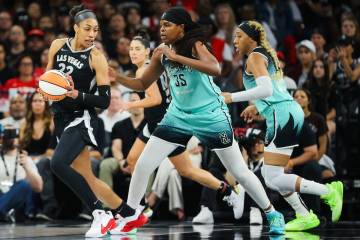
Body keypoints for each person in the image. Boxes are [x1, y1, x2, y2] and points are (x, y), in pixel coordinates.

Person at [112, 7, 285, 235]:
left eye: (167, 25)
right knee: (143, 164)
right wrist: (117, 78)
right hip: (178, 115)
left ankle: (272, 212)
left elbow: (216, 68)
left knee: (240, 171)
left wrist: (176, 56)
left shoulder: (196, 45)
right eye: (161, 25)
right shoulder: (161, 52)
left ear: (181, 27)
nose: (161, 30)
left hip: (211, 115)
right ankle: (131, 213)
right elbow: (142, 84)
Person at [118, 31, 247, 225]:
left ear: (148, 52)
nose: (133, 53)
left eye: (138, 49)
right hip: (152, 123)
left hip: (166, 125)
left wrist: (130, 105)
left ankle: (227, 190)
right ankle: (140, 207)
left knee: (187, 170)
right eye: (131, 49)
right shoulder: (157, 66)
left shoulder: (143, 70)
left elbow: (156, 99)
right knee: (132, 160)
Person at [224, 20, 343, 231]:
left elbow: (266, 90)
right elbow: (274, 90)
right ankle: (305, 214)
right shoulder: (261, 55)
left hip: (284, 115)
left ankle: (328, 193)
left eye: (239, 36)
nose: (234, 40)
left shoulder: (254, 56)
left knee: (272, 176)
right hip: (282, 113)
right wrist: (258, 108)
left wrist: (231, 97)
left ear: (251, 38)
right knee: (273, 176)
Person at [40, 5, 147, 237]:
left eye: (96, 30)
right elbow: (47, 77)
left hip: (82, 118)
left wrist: (76, 94)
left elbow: (104, 101)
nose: (92, 34)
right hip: (60, 117)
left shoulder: (96, 58)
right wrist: (45, 90)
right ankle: (129, 213)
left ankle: (100, 214)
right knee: (88, 178)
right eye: (87, 29)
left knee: (57, 163)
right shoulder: (57, 45)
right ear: (76, 28)